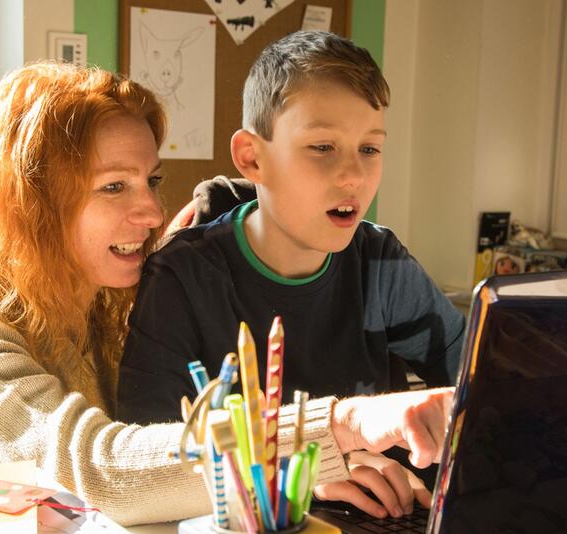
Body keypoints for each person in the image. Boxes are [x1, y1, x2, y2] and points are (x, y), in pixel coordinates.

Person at [0, 62, 454, 526]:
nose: (150, 209)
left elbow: (168, 451)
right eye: (114, 186)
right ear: (28, 205)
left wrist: (299, 474)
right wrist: (341, 426)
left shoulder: (115, 296)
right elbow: (101, 467)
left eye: (151, 180)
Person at [118, 31, 466, 519]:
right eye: (323, 146)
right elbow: (145, 457)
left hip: (380, 515)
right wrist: (304, 474)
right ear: (252, 158)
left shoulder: (379, 260)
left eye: (370, 149)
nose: (353, 176)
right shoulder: (181, 277)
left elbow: (483, 388)